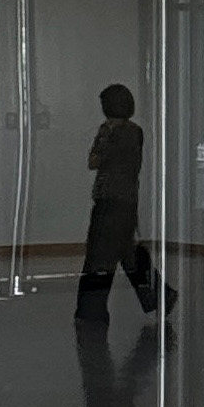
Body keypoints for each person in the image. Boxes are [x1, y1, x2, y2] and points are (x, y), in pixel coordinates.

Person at [74, 83, 170, 321]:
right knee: (127, 254)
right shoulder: (135, 131)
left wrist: (103, 136)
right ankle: (161, 295)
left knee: (100, 257)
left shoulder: (112, 132)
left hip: (110, 201)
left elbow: (94, 161)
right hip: (126, 200)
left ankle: (91, 309)